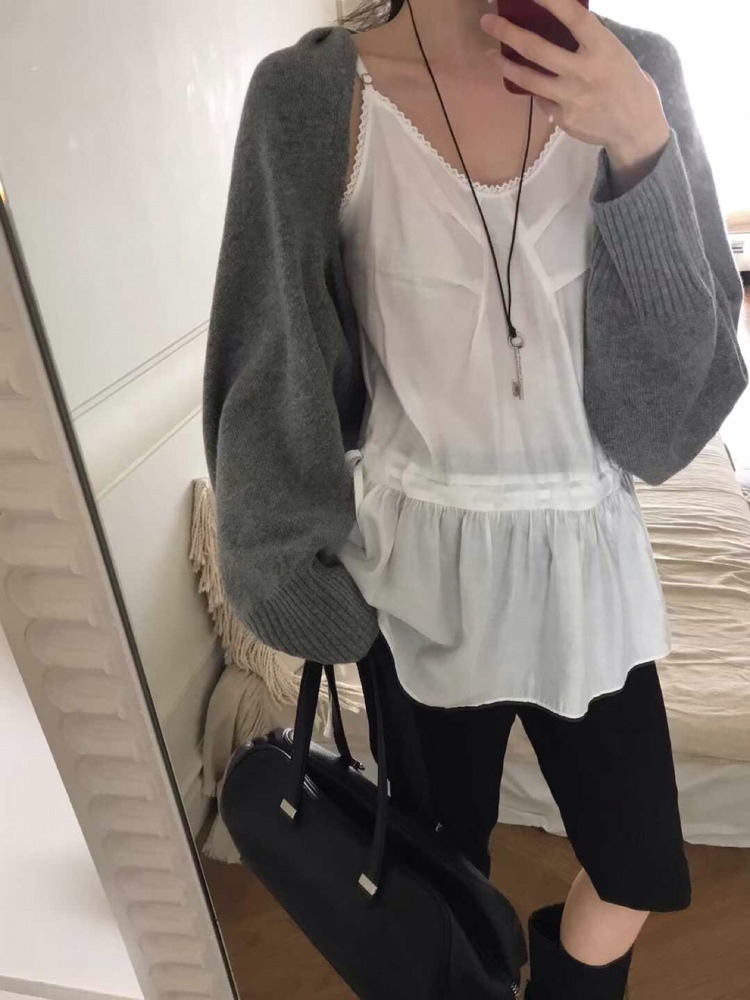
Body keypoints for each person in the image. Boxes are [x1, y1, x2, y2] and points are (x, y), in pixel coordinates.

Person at [202, 0, 748, 996]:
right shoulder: (314, 97)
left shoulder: (640, 74)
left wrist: (641, 138)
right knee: (439, 877)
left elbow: (675, 417)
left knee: (634, 870)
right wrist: (306, 594)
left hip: (587, 564)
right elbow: (267, 365)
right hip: (417, 581)